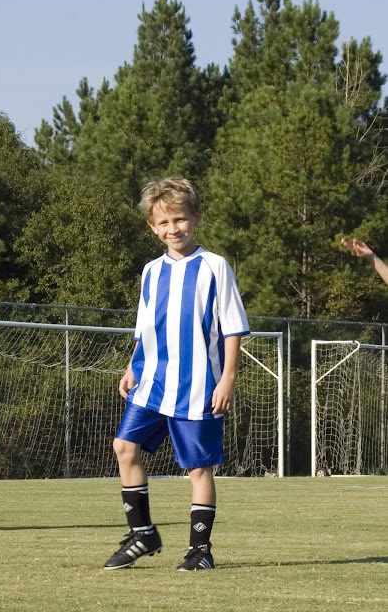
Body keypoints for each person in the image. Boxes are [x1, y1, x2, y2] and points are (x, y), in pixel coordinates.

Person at [104, 177, 249, 571]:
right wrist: (132, 366)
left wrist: (227, 378)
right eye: (164, 222)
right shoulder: (151, 271)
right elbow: (146, 327)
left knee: (198, 468)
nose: (173, 229)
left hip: (198, 385)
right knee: (124, 447)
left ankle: (200, 551)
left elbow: (233, 327)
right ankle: (143, 533)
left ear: (196, 217)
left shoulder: (215, 266)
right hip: (153, 381)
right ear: (153, 227)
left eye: (180, 219)